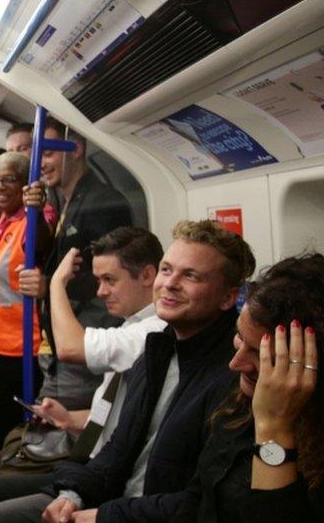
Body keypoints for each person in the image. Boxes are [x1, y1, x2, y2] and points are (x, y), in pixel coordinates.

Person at [41, 220, 255, 523]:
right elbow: (118, 450)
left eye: (190, 275)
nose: (169, 283)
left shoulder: (233, 374)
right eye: (167, 270)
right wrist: (73, 495)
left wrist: (104, 515)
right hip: (112, 503)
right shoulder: (157, 352)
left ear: (227, 297)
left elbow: (204, 501)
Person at [0, 227, 165, 519]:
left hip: (103, 478)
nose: (100, 291)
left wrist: (55, 284)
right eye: (98, 280)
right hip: (88, 467)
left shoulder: (154, 332)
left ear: (146, 276)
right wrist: (68, 418)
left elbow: (70, 348)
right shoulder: (130, 327)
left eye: (110, 280)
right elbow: (109, 418)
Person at [172, 253, 324, 522]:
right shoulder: (238, 405)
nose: (235, 363)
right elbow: (198, 501)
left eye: (262, 355)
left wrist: (274, 428)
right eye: (239, 339)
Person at [20, 118, 133, 412]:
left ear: (76, 149)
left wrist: (48, 286)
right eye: (36, 155)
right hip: (61, 342)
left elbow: (109, 277)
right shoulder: (63, 203)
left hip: (85, 344)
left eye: (47, 153)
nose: (40, 164)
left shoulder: (103, 202)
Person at [0, 152, 49, 445]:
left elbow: (44, 246)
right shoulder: (2, 224)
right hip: (0, 345)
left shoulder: (30, 223)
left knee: (5, 428)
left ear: (25, 185)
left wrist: (38, 206)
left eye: (8, 179)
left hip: (25, 348)